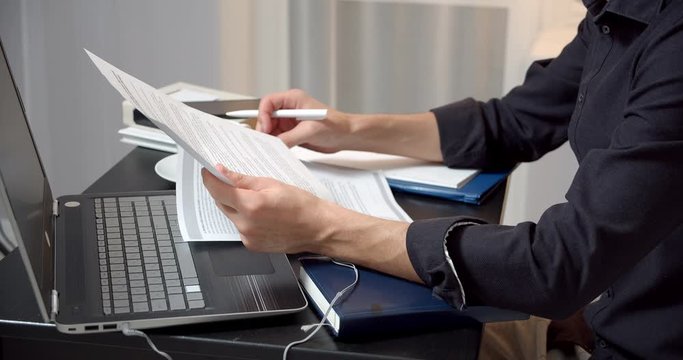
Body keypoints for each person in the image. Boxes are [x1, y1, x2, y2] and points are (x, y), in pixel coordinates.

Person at [202, 0, 683, 358]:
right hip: (600, 320)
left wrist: (323, 229)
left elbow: (557, 265)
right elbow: (514, 123)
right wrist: (346, 129)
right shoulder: (618, 14)